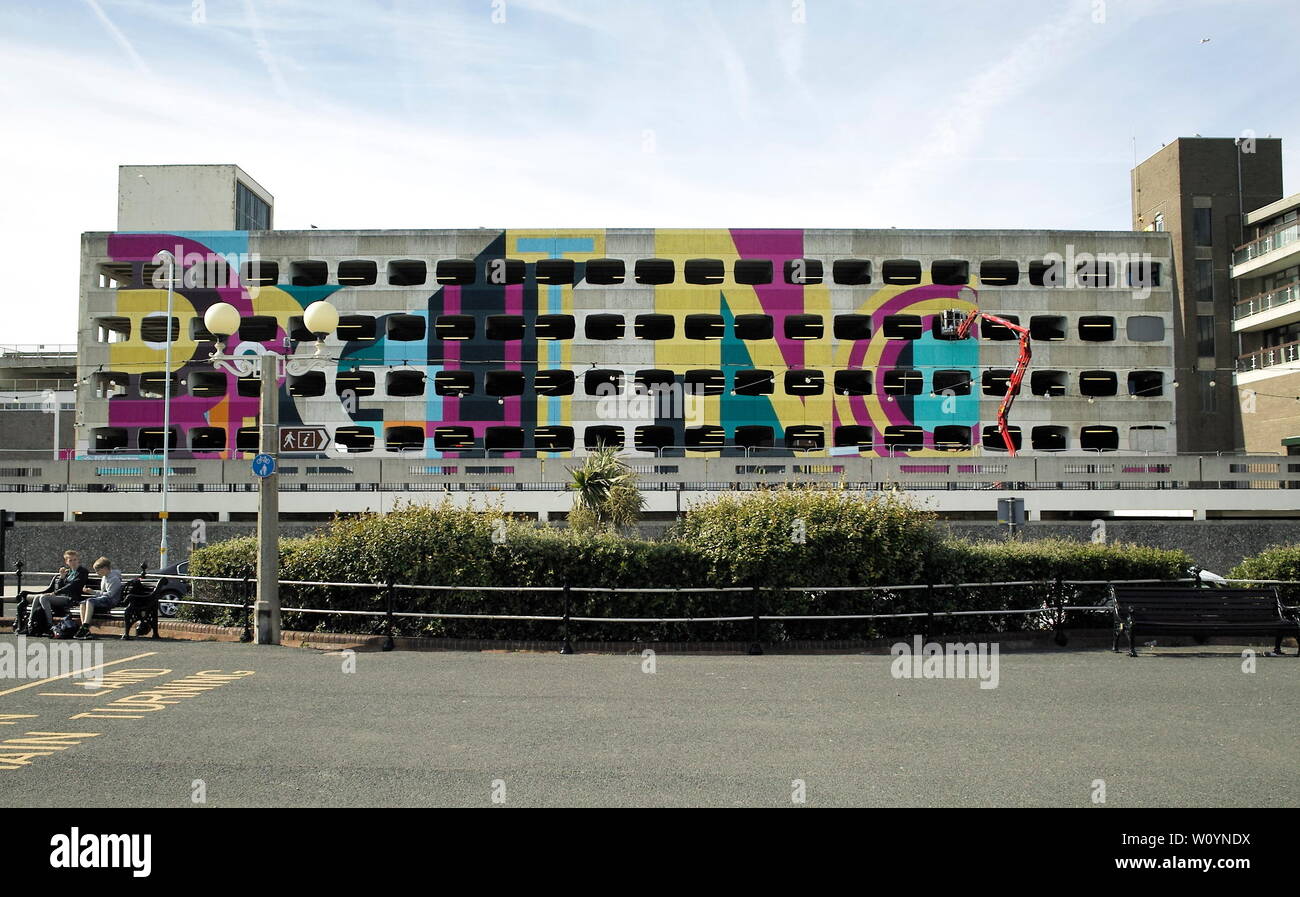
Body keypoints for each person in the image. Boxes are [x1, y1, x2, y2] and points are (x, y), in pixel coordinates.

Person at [16, 550, 90, 637]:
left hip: (71, 599)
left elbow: (73, 586)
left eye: (75, 560)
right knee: (37, 597)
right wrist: (62, 577)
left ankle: (50, 625)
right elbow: (60, 587)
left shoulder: (82, 572)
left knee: (44, 598)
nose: (73, 562)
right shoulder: (68, 572)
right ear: (66, 562)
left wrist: (55, 593)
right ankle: (30, 625)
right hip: (61, 597)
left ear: (78, 560)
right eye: (70, 560)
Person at [74, 557, 123, 639]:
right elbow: (102, 592)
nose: (96, 573)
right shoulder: (104, 577)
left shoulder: (114, 579)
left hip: (111, 601)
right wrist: (93, 592)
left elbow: (110, 595)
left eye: (98, 570)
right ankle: (85, 628)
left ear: (104, 568)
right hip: (104, 598)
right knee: (83, 603)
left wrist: (93, 592)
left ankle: (85, 626)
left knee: (90, 601)